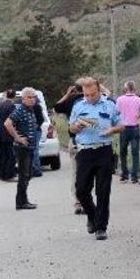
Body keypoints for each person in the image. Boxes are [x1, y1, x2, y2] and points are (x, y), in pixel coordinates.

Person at [69, 77, 123, 240]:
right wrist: (76, 127)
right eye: (86, 95)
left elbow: (122, 126)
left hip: (104, 150)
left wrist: (112, 130)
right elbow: (71, 128)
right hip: (85, 152)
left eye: (93, 94)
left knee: (103, 191)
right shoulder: (78, 106)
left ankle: (101, 227)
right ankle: (92, 216)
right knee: (81, 190)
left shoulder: (110, 105)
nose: (90, 98)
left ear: (99, 90)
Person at [4, 87, 39, 210]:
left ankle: (24, 200)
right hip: (22, 148)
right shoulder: (20, 110)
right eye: (29, 97)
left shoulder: (30, 110)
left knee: (28, 174)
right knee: (24, 175)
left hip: (30, 147)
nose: (32, 99)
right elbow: (7, 123)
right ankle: (20, 202)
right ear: (23, 99)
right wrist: (17, 137)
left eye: (34, 97)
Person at [54, 80, 86, 214]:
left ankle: (78, 202)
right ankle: (87, 200)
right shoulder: (92, 100)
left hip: (74, 140)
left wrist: (67, 94)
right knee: (89, 173)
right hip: (90, 141)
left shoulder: (70, 100)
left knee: (76, 172)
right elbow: (108, 95)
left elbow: (56, 107)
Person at [116, 81, 140, 184]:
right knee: (135, 153)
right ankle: (134, 176)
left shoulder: (120, 99)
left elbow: (116, 112)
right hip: (135, 128)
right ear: (134, 88)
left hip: (123, 128)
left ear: (125, 88)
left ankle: (124, 175)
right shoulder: (139, 100)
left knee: (123, 152)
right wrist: (138, 114)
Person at [0, 90, 18, 182]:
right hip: (8, 134)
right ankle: (9, 175)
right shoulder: (12, 106)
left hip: (1, 133)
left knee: (4, 155)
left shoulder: (0, 105)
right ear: (14, 97)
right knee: (11, 156)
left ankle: (3, 175)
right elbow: (13, 120)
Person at [31, 98, 45, 178]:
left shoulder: (37, 107)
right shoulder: (26, 107)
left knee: (34, 150)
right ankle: (33, 168)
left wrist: (36, 125)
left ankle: (37, 169)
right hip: (30, 131)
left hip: (36, 131)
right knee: (32, 150)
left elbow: (41, 119)